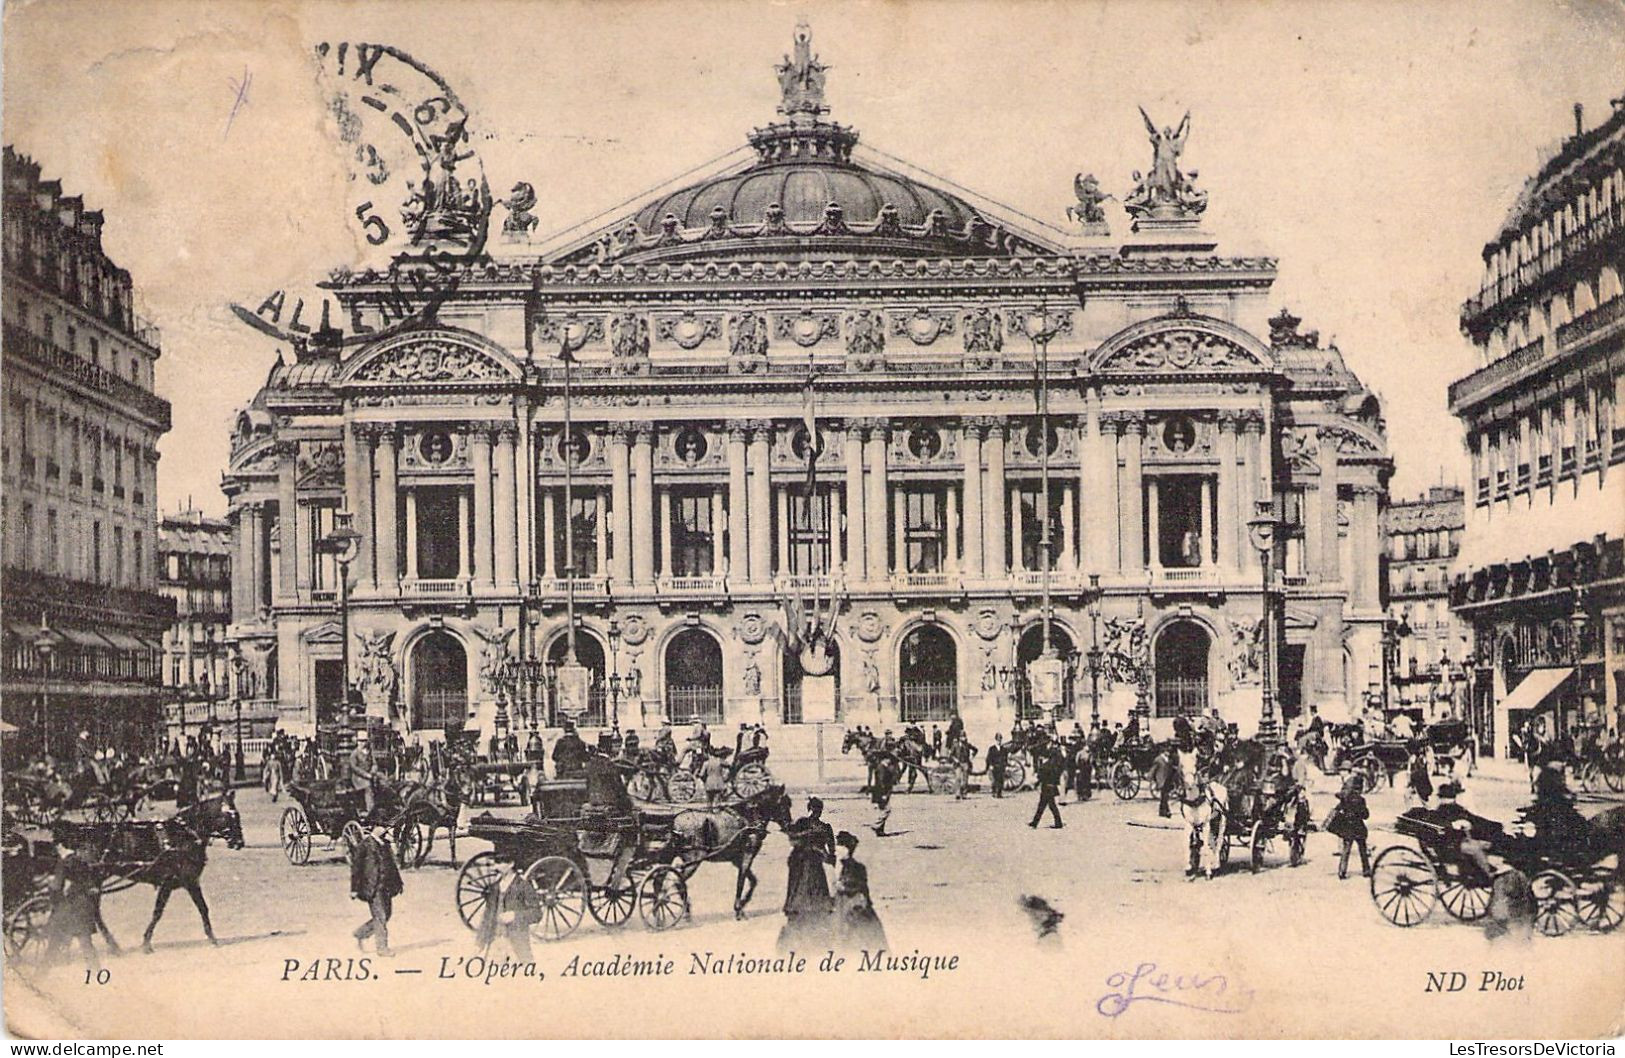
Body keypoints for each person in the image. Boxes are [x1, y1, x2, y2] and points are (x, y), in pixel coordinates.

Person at [45, 837, 120, 970]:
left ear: (61, 846)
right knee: (85, 942)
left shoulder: (64, 862)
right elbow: (91, 883)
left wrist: (49, 882)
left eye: (57, 846)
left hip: (71, 907)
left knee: (56, 939)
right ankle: (96, 972)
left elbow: (57, 886)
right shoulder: (82, 861)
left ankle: (40, 975)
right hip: (85, 906)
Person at [778, 797, 836, 952]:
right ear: (811, 809)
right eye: (816, 810)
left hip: (808, 861)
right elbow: (792, 838)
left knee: (806, 884)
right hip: (805, 860)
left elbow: (832, 848)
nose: (817, 812)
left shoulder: (814, 825)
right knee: (809, 884)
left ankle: (803, 907)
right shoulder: (813, 825)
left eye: (819, 810)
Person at [350, 825, 404, 956]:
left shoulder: (385, 844)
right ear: (374, 829)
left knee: (387, 914)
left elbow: (392, 865)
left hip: (386, 886)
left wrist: (399, 882)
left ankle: (361, 933)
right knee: (380, 917)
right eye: (382, 827)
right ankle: (382, 948)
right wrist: (354, 889)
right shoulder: (365, 845)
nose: (385, 829)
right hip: (372, 887)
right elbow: (356, 868)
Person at [833, 831, 888, 952]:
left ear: (846, 849)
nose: (835, 850)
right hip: (843, 905)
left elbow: (860, 888)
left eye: (839, 846)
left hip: (853, 907)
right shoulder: (840, 865)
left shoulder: (856, 867)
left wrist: (842, 887)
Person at [1325, 774, 1372, 880]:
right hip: (1359, 828)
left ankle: (1342, 871)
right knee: (1363, 850)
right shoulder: (1361, 800)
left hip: (1347, 828)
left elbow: (1338, 808)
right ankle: (1366, 870)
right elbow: (1365, 815)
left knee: (1346, 851)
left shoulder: (1345, 798)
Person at [1029, 745, 1064, 829]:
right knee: (1045, 805)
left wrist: (1036, 784)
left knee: (1048, 806)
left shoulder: (1047, 765)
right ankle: (1035, 822)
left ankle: (1058, 823)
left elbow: (1041, 777)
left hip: (1046, 788)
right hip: (1052, 787)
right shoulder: (1057, 765)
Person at [348, 737, 378, 816]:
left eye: (364, 741)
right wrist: (366, 775)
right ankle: (369, 809)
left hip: (370, 774)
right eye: (360, 741)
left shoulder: (369, 752)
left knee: (382, 781)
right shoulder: (354, 754)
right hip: (358, 777)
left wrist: (372, 771)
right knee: (367, 785)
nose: (362, 743)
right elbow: (354, 768)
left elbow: (374, 764)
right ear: (357, 742)